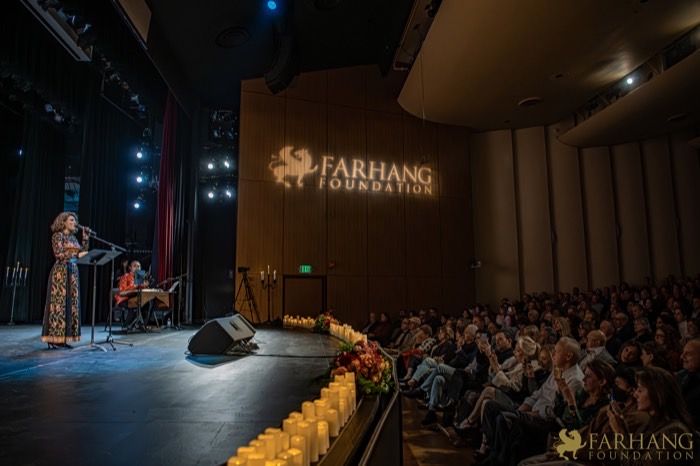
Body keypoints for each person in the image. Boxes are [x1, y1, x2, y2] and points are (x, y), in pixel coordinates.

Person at [41, 212, 89, 348]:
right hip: (61, 272)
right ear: (63, 222)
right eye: (71, 220)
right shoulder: (58, 236)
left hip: (73, 272)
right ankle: (54, 339)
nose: (75, 223)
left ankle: (64, 338)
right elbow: (59, 254)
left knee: (70, 304)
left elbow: (83, 252)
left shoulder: (73, 238)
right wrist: (76, 255)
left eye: (75, 220)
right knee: (59, 305)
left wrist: (85, 239)